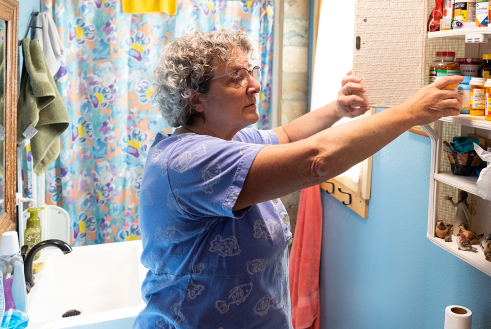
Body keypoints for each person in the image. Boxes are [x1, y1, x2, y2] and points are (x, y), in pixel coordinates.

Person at [134, 29, 462, 328]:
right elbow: (316, 161)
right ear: (195, 97)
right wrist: (410, 112)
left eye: (251, 72)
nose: (254, 84)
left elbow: (289, 135)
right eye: (236, 76)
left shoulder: (233, 141)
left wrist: (339, 109)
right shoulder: (188, 161)